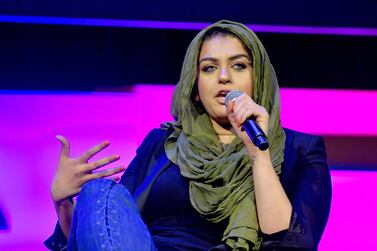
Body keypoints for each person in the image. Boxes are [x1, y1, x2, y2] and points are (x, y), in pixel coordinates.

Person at [45, 20, 332, 251]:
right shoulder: (162, 145)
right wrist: (62, 203)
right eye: (209, 68)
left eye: (239, 65)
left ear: (260, 79)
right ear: (195, 88)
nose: (223, 76)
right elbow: (107, 236)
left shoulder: (300, 150)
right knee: (100, 192)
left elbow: (294, 244)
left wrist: (259, 154)